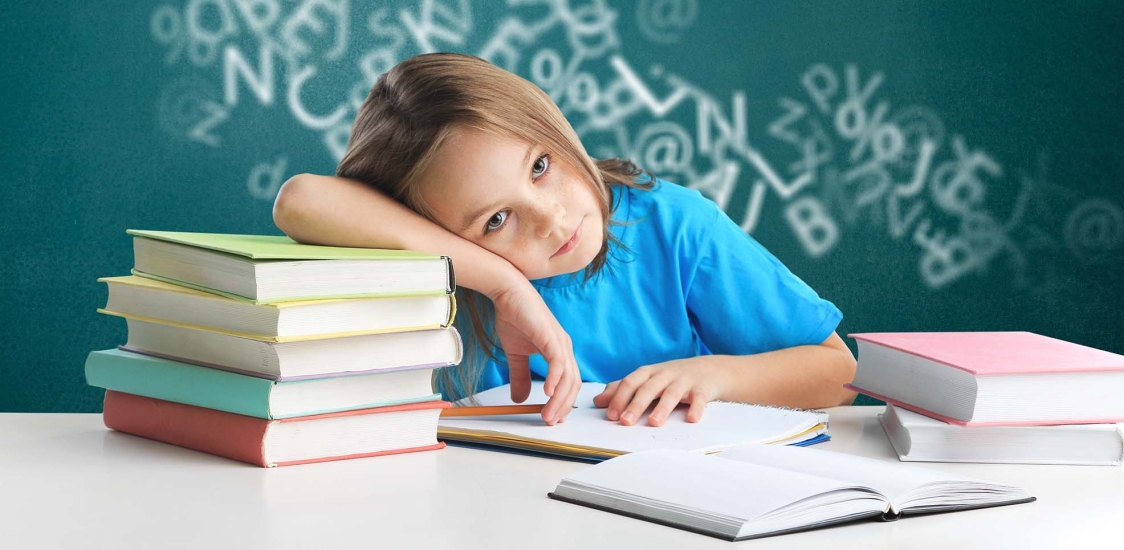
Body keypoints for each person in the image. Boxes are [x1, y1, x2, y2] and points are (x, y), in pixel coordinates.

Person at [273, 52, 856, 428]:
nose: (551, 219)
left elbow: (839, 373)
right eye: (495, 222)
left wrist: (716, 378)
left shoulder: (671, 224)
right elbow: (300, 201)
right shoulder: (431, 274)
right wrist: (503, 286)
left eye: (540, 165)